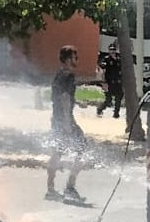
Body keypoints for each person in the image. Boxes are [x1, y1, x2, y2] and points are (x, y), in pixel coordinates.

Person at [46, 45, 87, 203]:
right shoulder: (69, 76)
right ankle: (70, 186)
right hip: (65, 119)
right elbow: (64, 97)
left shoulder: (59, 74)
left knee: (57, 151)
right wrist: (68, 122)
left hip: (56, 118)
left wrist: (77, 103)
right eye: (75, 57)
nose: (76, 60)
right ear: (68, 59)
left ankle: (50, 188)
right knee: (82, 148)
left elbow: (60, 96)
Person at [96, 42, 123, 119]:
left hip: (118, 82)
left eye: (114, 49)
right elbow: (102, 70)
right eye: (111, 50)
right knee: (108, 100)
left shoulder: (119, 59)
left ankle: (116, 114)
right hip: (109, 83)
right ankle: (100, 109)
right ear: (109, 51)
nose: (112, 51)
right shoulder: (106, 59)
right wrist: (103, 82)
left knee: (119, 97)